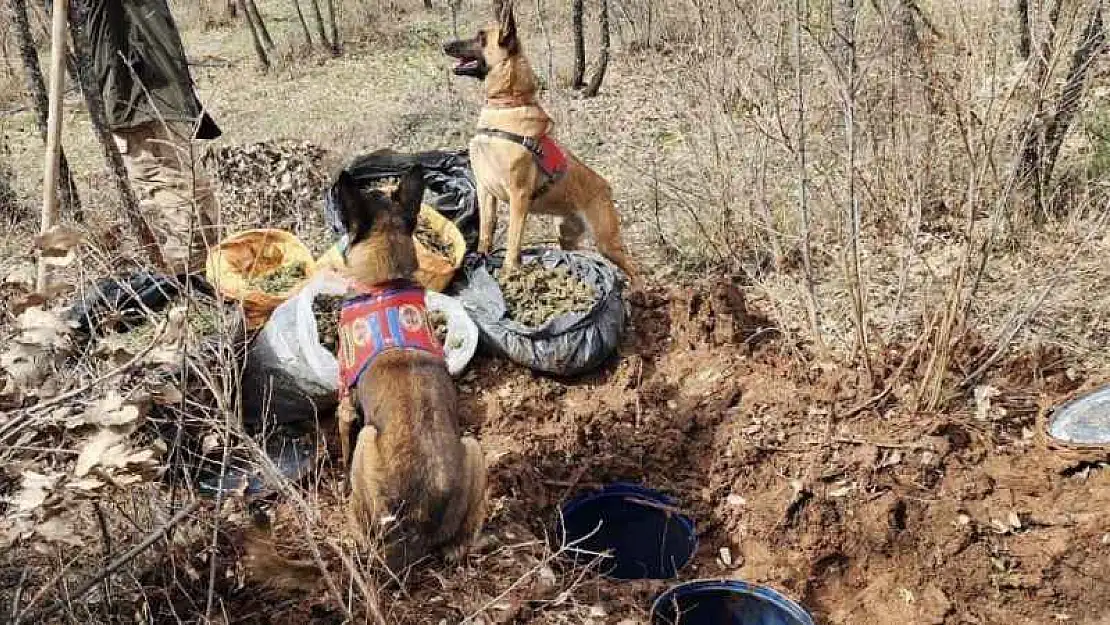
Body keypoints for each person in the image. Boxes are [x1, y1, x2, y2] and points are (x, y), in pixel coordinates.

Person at [87, 0, 223, 274]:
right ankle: (212, 269)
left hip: (140, 99)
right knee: (183, 185)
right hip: (150, 95)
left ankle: (198, 278)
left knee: (166, 186)